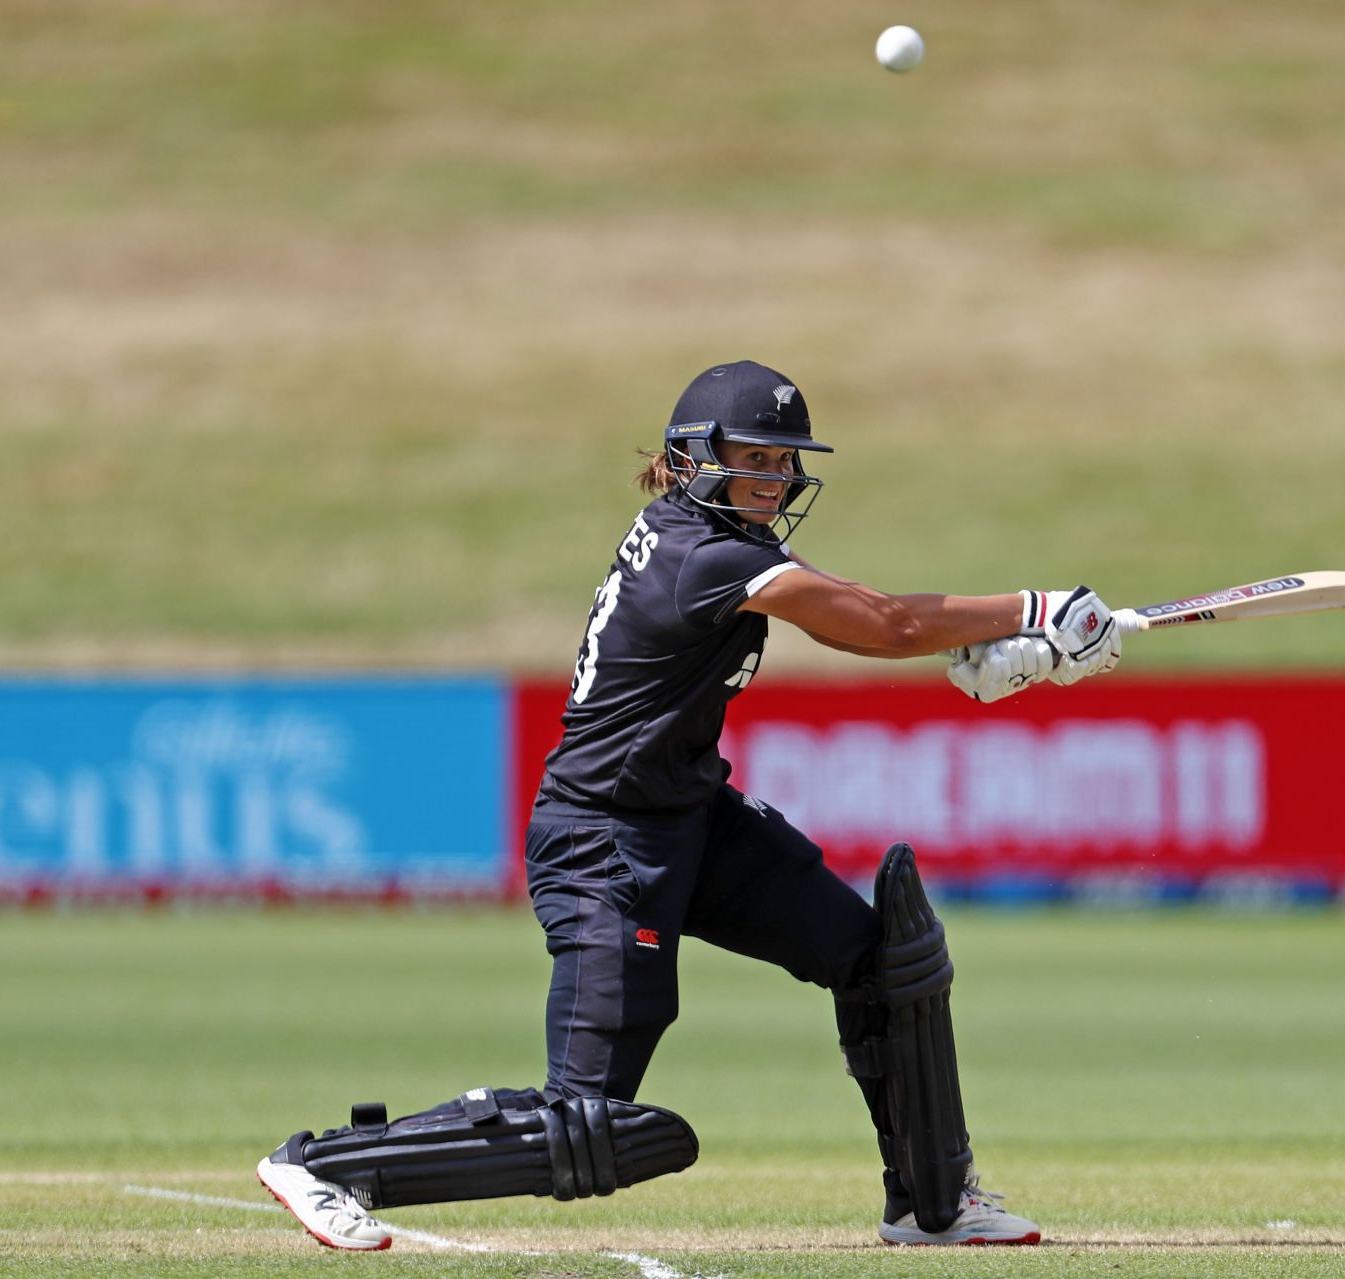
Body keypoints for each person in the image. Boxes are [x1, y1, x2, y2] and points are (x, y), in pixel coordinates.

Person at [257, 360, 1131, 1250]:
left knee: (878, 961)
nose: (776, 478)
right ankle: (327, 1163)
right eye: (755, 456)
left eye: (786, 460)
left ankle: (933, 1203)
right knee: (588, 1121)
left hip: (688, 820)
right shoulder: (699, 553)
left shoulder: (711, 539)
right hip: (602, 840)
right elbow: (881, 623)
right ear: (690, 457)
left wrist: (1011, 644)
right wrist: (1035, 610)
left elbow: (882, 623)